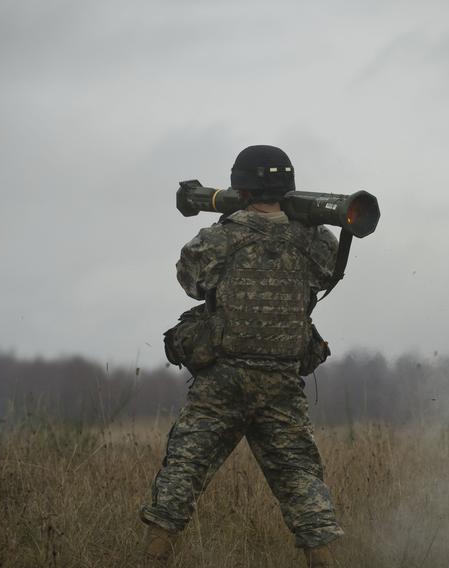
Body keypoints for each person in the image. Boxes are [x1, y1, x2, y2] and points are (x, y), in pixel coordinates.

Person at [141, 145, 344, 566]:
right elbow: (324, 275)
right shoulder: (316, 239)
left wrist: (227, 224)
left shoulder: (220, 237)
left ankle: (153, 556)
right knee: (301, 479)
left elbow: (191, 281)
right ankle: (324, 558)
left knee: (184, 471)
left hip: (223, 380)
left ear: (240, 185)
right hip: (282, 382)